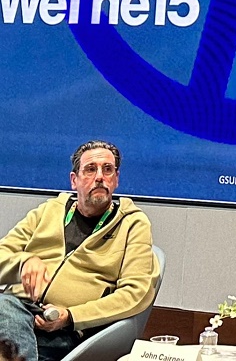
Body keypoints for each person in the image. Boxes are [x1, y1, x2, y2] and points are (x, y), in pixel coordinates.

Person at [0, 140, 159, 361]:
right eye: (90, 169)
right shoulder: (48, 211)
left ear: (116, 179)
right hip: (19, 310)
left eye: (107, 169)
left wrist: (70, 316)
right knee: (5, 307)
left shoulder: (133, 224)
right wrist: (23, 262)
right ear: (74, 180)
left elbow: (135, 294)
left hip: (70, 331)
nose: (100, 176)